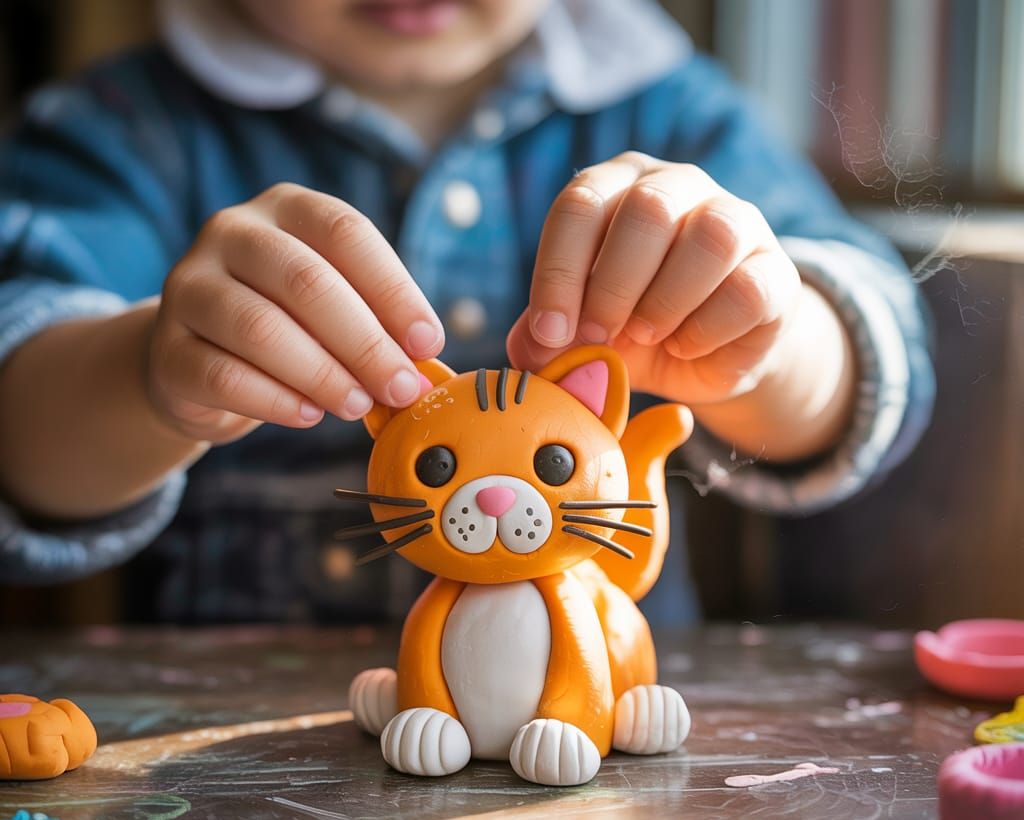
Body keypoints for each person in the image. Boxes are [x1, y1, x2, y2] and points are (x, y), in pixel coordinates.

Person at [0, 0, 933, 625]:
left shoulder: (672, 107)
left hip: (604, 766)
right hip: (229, 777)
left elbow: (875, 345)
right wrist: (149, 380)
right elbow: (19, 422)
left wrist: (769, 349)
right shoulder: (124, 128)